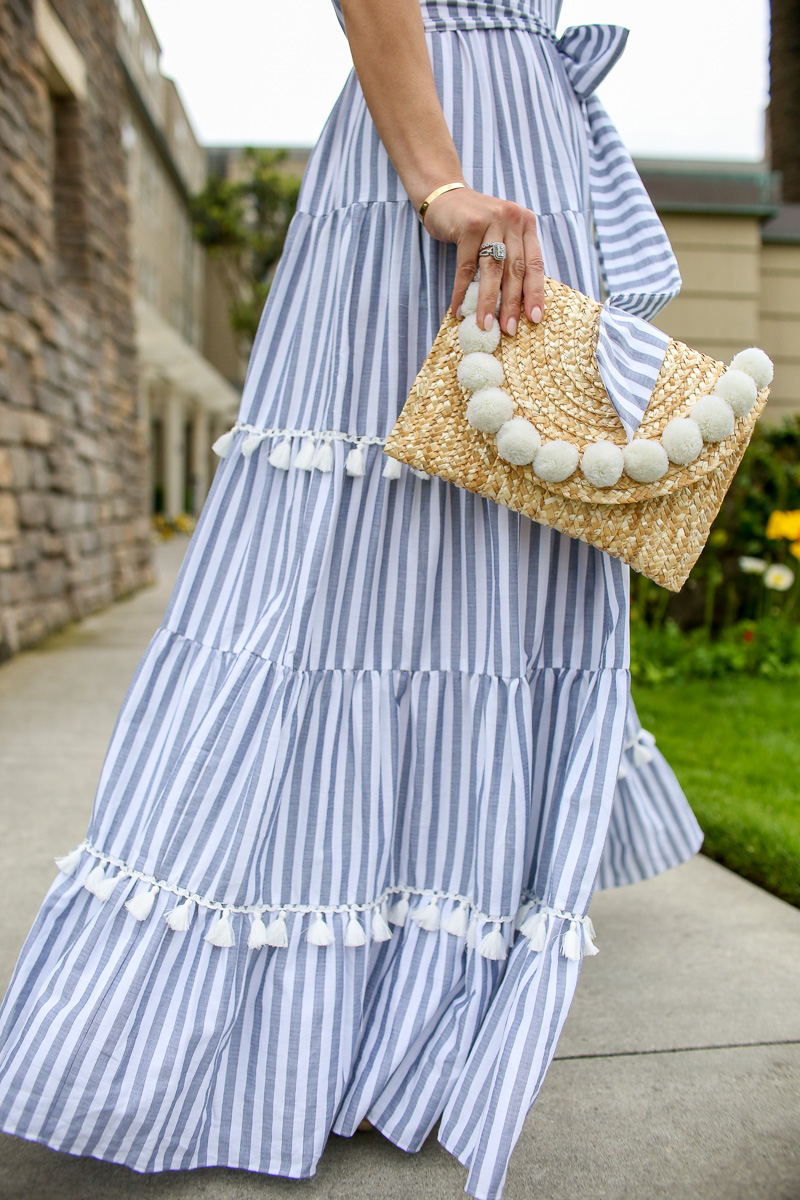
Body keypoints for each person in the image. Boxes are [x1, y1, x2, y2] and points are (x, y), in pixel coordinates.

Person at [0, 2, 703, 1197]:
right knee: (350, 572)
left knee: (503, 543)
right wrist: (437, 183)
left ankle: (426, 937)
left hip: (531, 152)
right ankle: (228, 1006)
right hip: (449, 158)